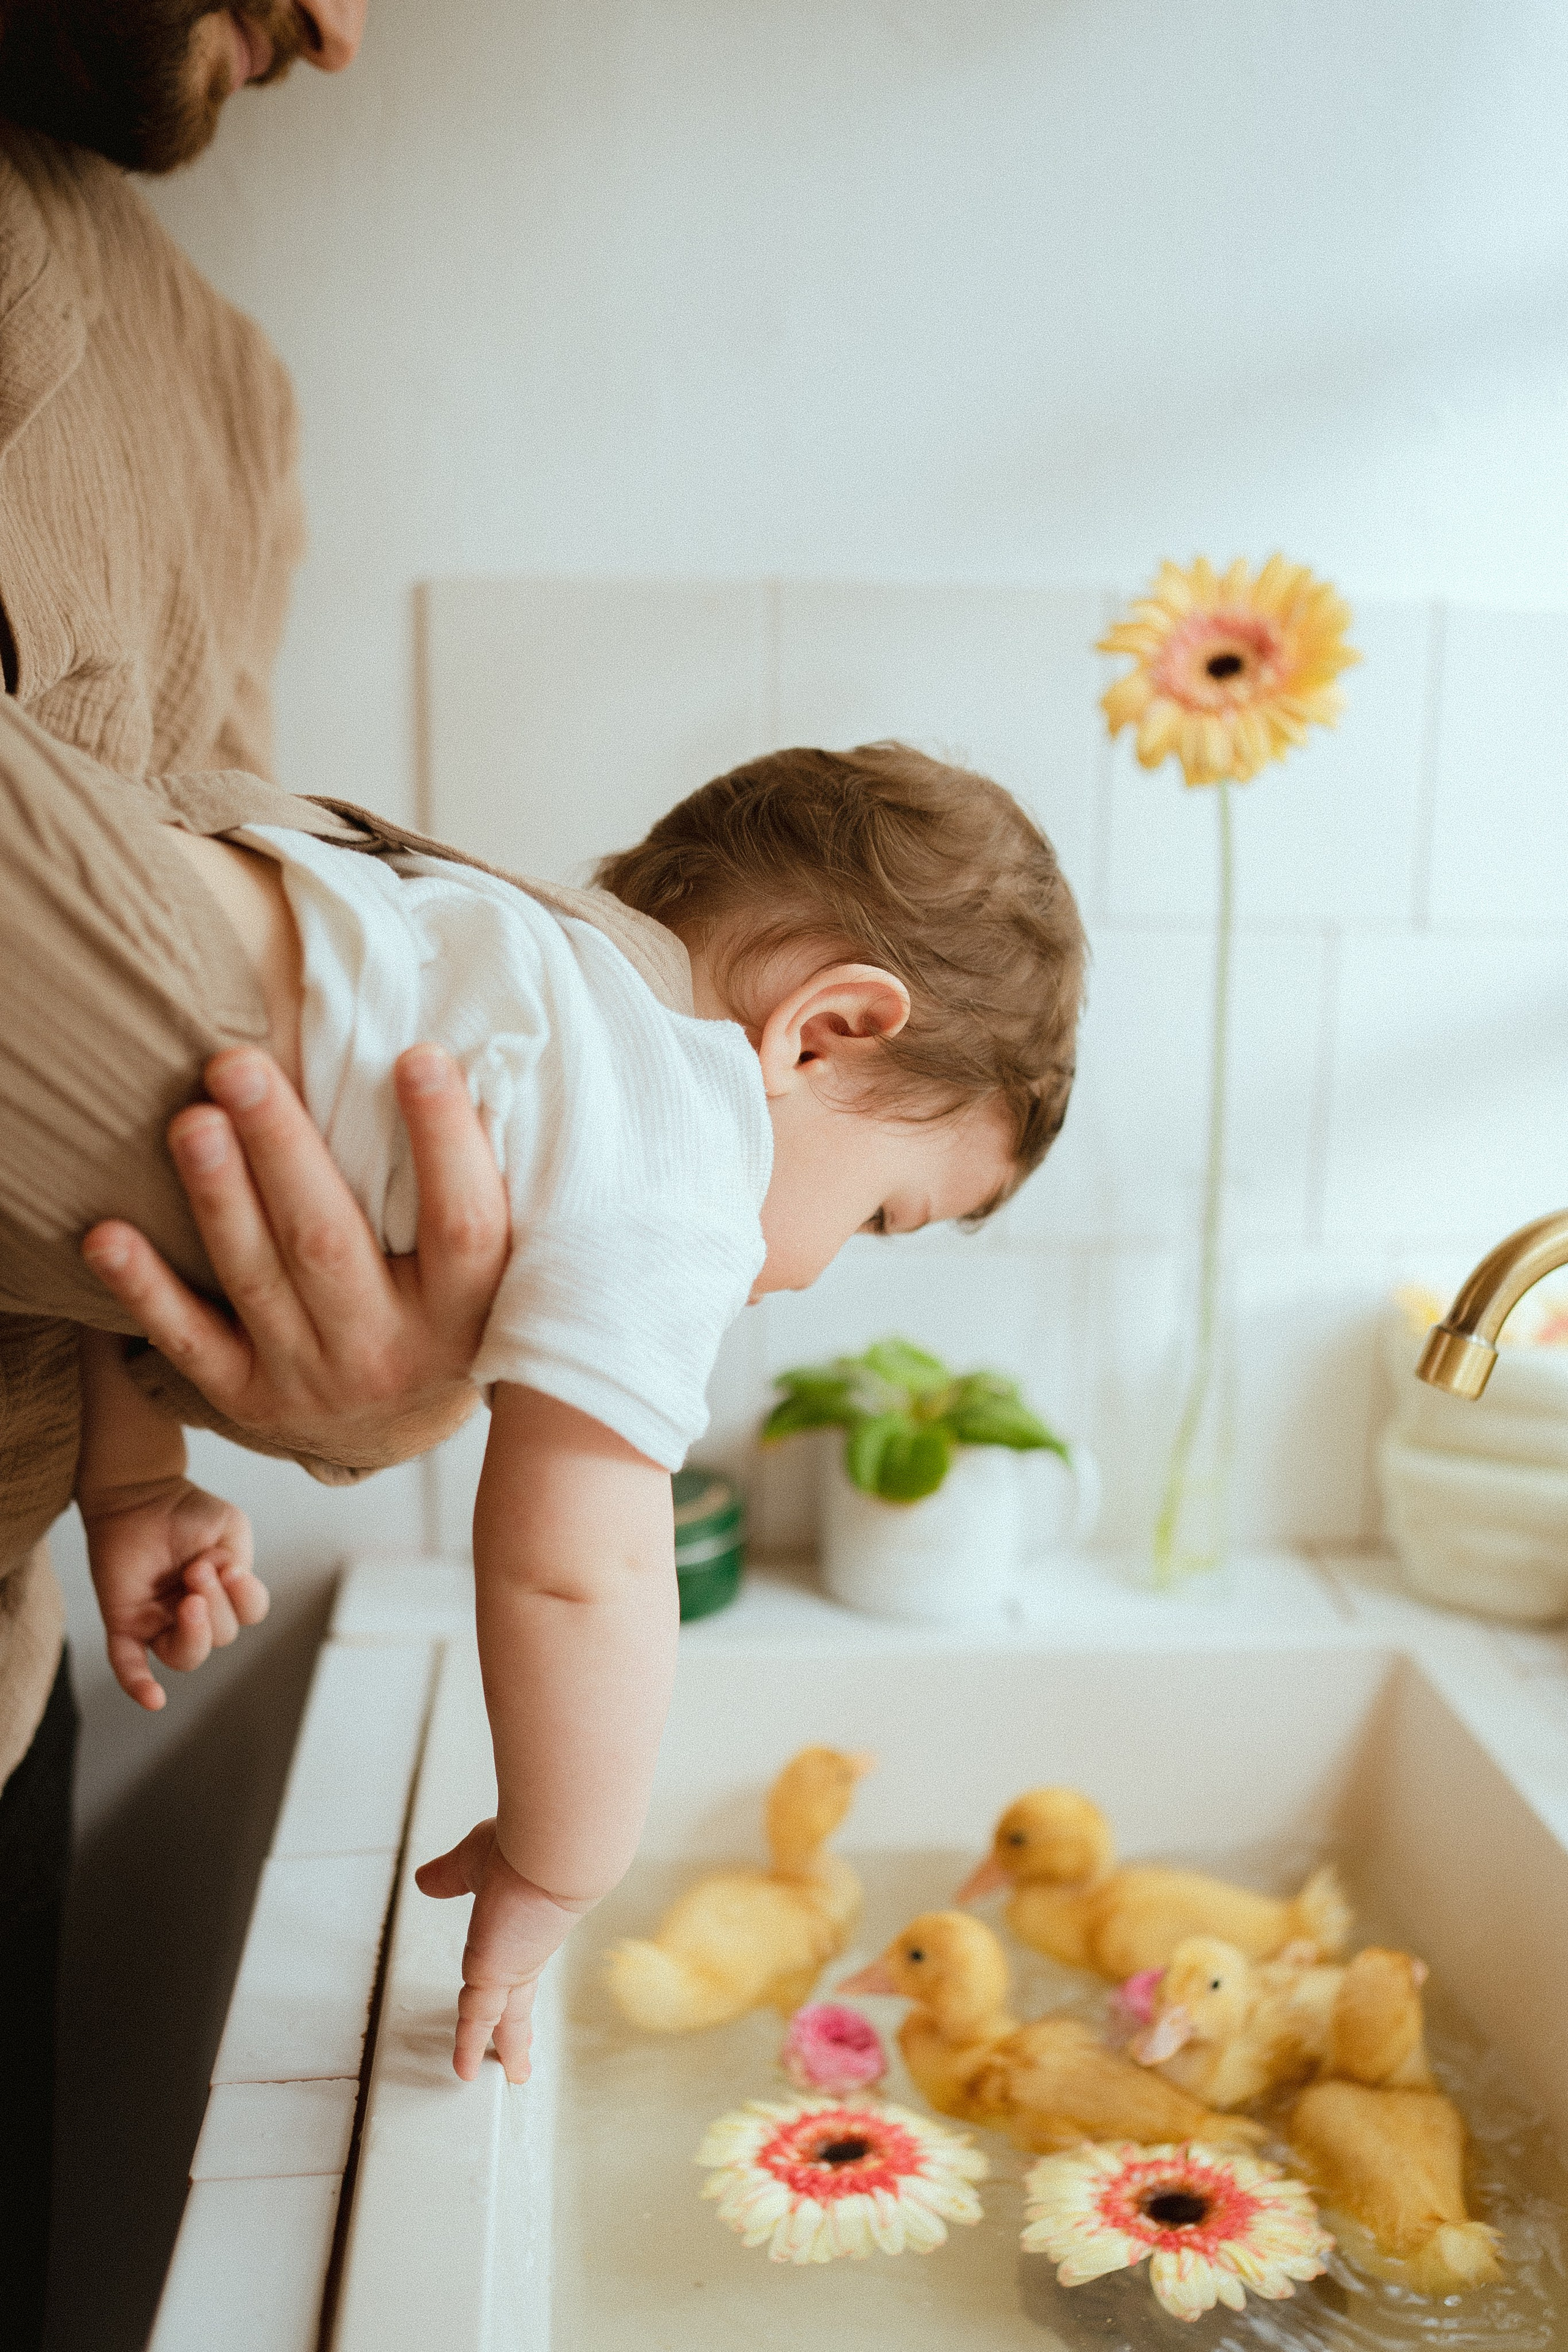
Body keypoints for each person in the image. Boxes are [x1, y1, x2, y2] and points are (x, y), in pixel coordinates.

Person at [8, 737, 1086, 2083]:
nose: (816, 1271)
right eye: (879, 1213)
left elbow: (124, 1217)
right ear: (822, 1034)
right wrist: (562, 1859)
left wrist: (131, 1477)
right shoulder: (674, 1121)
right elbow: (584, 1570)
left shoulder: (494, 958)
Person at [0, 7, 513, 2340]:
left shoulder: (222, 386)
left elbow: (176, 1032)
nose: (345, 29)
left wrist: (136, 1460)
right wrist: (419, 1360)